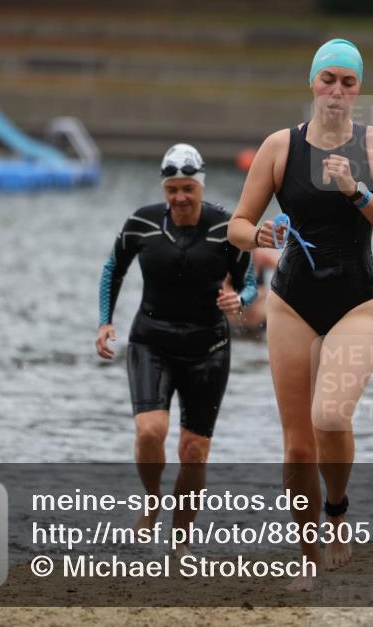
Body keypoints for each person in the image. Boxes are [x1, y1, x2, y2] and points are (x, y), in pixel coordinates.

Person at [227, 38, 373, 589]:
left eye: (348, 82)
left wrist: (357, 192)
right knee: (296, 447)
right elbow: (238, 224)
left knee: (331, 417)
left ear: (359, 90)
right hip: (292, 302)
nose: (336, 90)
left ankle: (337, 512)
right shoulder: (279, 147)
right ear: (312, 83)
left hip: (357, 300)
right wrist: (257, 235)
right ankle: (308, 558)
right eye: (328, 79)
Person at [95, 143, 257, 552]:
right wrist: (105, 321)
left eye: (188, 188)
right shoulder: (142, 222)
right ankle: (152, 499)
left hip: (209, 347)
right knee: (151, 430)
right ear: (163, 189)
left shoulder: (227, 227)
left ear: (200, 185)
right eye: (172, 190)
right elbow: (114, 267)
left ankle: (180, 541)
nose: (180, 197)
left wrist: (239, 300)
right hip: (152, 341)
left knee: (194, 451)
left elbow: (250, 283)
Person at [223, 248, 280, 336]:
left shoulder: (262, 256)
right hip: (236, 312)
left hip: (256, 310)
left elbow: (286, 269)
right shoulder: (230, 260)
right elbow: (222, 291)